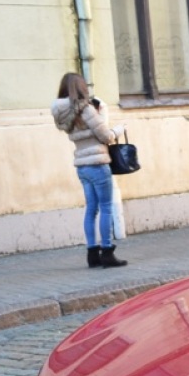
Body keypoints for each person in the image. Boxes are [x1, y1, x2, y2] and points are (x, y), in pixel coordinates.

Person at [51, 72, 127, 268]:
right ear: (81, 87)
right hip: (98, 164)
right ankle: (107, 253)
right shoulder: (87, 109)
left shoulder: (62, 112)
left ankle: (92, 253)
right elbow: (106, 136)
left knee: (91, 209)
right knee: (106, 208)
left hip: (82, 165)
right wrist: (119, 129)